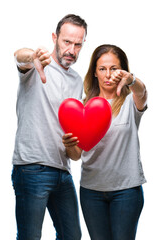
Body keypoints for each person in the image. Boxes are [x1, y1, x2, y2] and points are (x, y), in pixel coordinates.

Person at [11, 14, 87, 240]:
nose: (71, 50)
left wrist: (73, 144)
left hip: (63, 172)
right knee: (30, 236)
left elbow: (75, 154)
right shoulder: (36, 65)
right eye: (66, 42)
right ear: (55, 38)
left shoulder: (77, 80)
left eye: (78, 45)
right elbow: (19, 56)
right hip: (32, 168)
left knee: (72, 236)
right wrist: (33, 56)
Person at [62, 44, 148, 240]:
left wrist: (131, 80)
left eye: (114, 68)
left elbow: (142, 93)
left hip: (126, 191)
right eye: (102, 69)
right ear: (95, 72)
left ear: (122, 70)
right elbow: (76, 155)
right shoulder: (81, 108)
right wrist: (69, 146)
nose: (108, 74)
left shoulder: (130, 102)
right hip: (91, 191)